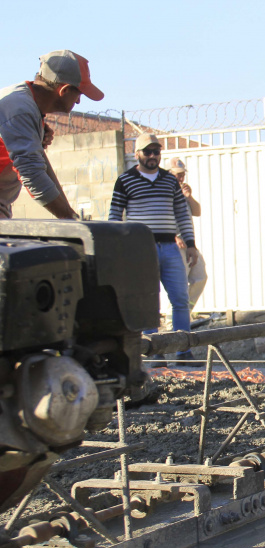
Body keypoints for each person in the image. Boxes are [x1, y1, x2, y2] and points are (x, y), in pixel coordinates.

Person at [109, 133, 200, 365]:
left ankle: (183, 352)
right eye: (147, 152)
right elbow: (114, 217)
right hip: (141, 248)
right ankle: (154, 353)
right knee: (149, 302)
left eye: (156, 152)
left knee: (180, 299)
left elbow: (182, 213)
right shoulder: (125, 180)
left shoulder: (169, 181)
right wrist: (117, 248)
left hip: (170, 247)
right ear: (137, 154)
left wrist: (191, 244)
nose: (152, 156)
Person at [0, 50, 104, 219]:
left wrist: (71, 216)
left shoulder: (28, 104)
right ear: (63, 91)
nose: (78, 101)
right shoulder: (19, 109)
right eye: (79, 94)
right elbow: (32, 175)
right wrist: (71, 221)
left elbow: (39, 164)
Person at [166, 157, 208, 313]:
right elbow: (160, 219)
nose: (181, 178)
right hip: (175, 244)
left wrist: (189, 197)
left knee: (200, 277)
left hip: (188, 243)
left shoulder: (183, 192)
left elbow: (197, 211)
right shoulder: (165, 192)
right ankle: (173, 319)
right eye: (177, 174)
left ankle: (185, 312)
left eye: (182, 174)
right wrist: (172, 237)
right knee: (180, 283)